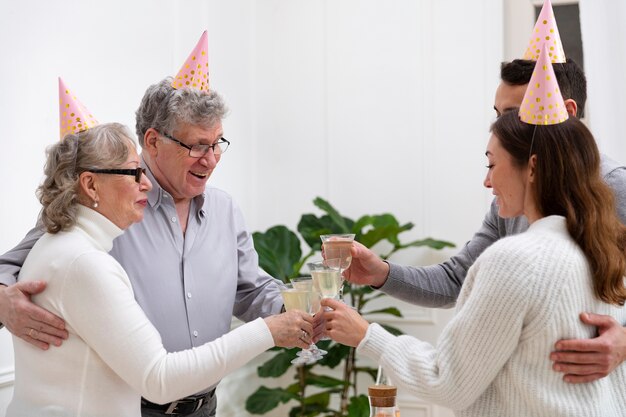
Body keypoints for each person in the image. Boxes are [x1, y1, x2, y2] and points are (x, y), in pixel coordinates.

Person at [0, 75, 295, 416]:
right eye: (197, 145)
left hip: (205, 405)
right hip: (136, 404)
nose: (211, 159)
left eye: (217, 144)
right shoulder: (100, 212)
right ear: (153, 141)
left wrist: (293, 313)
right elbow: (34, 258)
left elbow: (250, 289)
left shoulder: (225, 209)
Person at [338, 58, 626, 384]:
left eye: (513, 115)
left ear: (566, 113)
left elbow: (449, 380)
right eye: (497, 113)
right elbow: (457, 278)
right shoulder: (510, 206)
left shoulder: (617, 188)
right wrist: (382, 273)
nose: (498, 128)